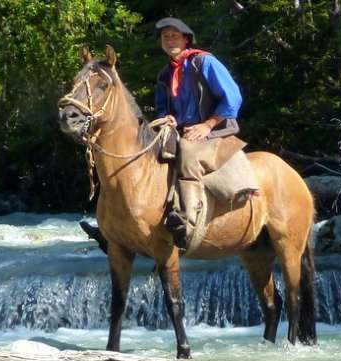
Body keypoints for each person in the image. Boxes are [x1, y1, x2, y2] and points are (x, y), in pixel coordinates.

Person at [80, 17, 249, 254]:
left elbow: (233, 99)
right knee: (139, 158)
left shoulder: (204, 63)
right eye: (165, 37)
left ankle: (186, 223)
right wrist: (168, 117)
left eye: (174, 36)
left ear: (186, 39)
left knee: (188, 155)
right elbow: (163, 107)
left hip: (212, 130)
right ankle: (116, 228)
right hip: (179, 130)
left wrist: (208, 125)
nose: (169, 40)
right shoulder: (165, 74)